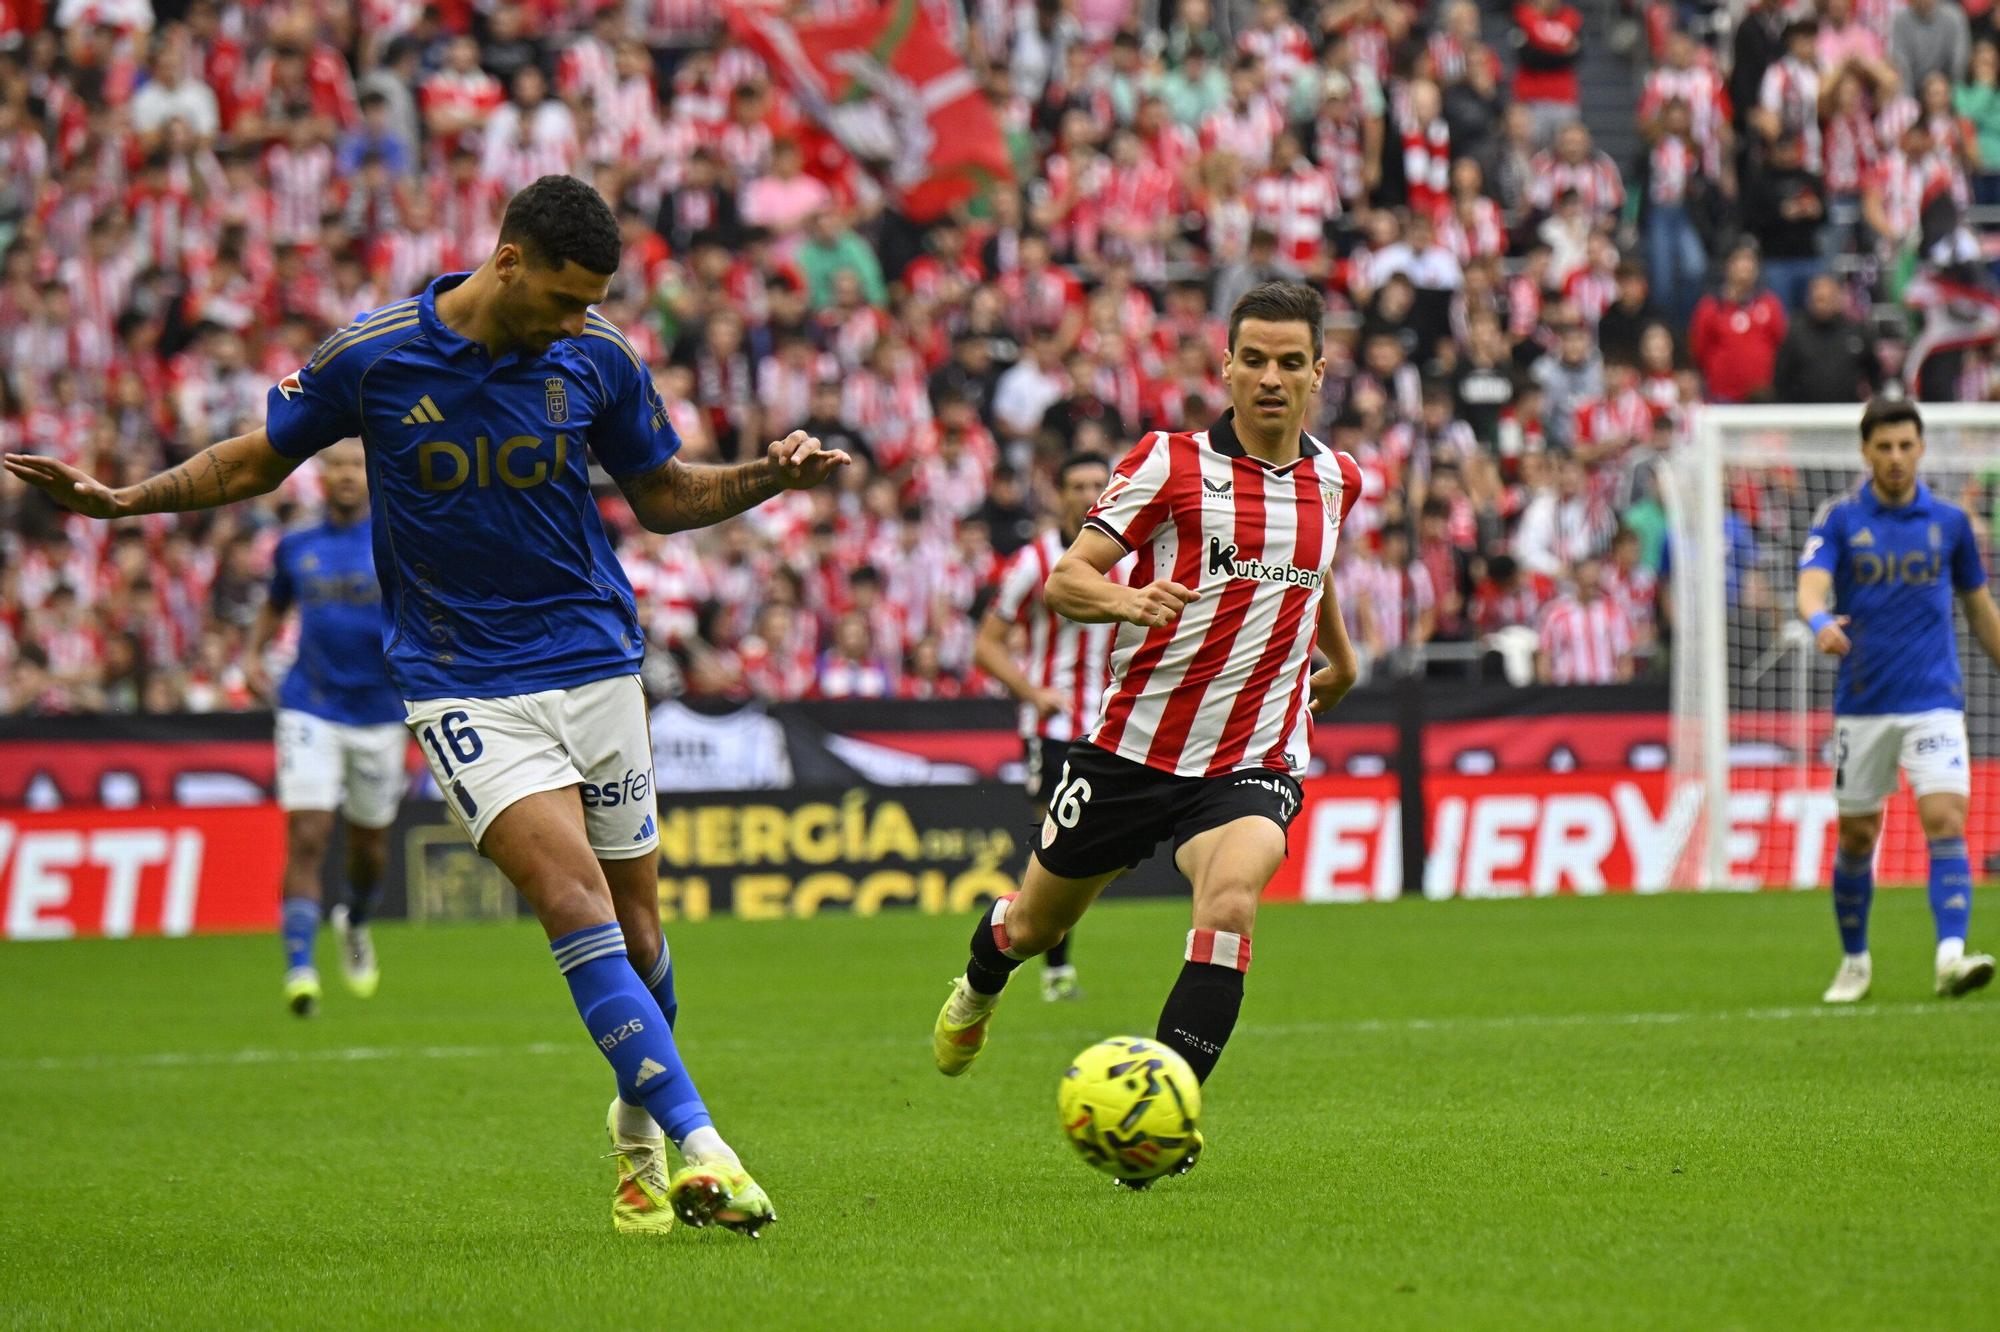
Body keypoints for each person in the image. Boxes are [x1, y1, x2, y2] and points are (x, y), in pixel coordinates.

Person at [4, 176, 850, 1238]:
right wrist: (128, 501)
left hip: (595, 663)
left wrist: (769, 478)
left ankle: (636, 1143)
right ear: (507, 262)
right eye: (561, 298)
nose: (573, 322)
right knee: (575, 906)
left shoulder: (597, 360)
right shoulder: (374, 353)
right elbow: (257, 460)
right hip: (462, 684)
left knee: (641, 934)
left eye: (591, 303)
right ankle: (706, 1147)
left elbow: (663, 493)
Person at [929, 281, 1363, 1180]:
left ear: (1320, 373)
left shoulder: (1339, 479)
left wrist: (1343, 657)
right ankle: (978, 985)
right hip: (1134, 750)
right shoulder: (1170, 464)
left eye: (1291, 362)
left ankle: (1162, 1124)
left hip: (1255, 752)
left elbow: (1308, 573)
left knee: (1232, 902)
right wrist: (1131, 598)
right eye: (1256, 360)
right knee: (1035, 927)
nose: (1272, 379)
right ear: (1228, 368)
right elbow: (1066, 580)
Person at [1797, 397, 2000, 1004]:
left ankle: (1950, 957)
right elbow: (1810, 587)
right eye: (1883, 447)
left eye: (1905, 445)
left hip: (1934, 700)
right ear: (1865, 452)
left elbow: (1981, 612)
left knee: (1944, 821)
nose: (1894, 457)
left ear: (1921, 448)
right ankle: (1855, 961)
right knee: (1858, 837)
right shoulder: (1838, 518)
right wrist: (1818, 623)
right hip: (1862, 703)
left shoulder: (1950, 522)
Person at [243, 441, 404, 1017]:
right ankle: (299, 968)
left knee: (368, 849)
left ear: (371, 475)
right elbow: (274, 605)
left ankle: (355, 921)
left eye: (356, 466)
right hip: (309, 704)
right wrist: (252, 654)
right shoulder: (297, 545)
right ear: (320, 477)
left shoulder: (396, 538)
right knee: (308, 835)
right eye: (335, 466)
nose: (344, 475)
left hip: (382, 713)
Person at [972, 452, 1119, 1002]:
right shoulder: (1034, 561)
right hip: (1052, 727)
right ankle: (1053, 969)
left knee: (1107, 854)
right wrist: (1033, 693)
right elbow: (985, 646)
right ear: (1057, 494)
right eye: (1076, 484)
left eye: (1095, 484)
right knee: (1057, 845)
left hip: (1112, 726)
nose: (1086, 494)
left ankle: (1031, 935)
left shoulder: (1128, 559)